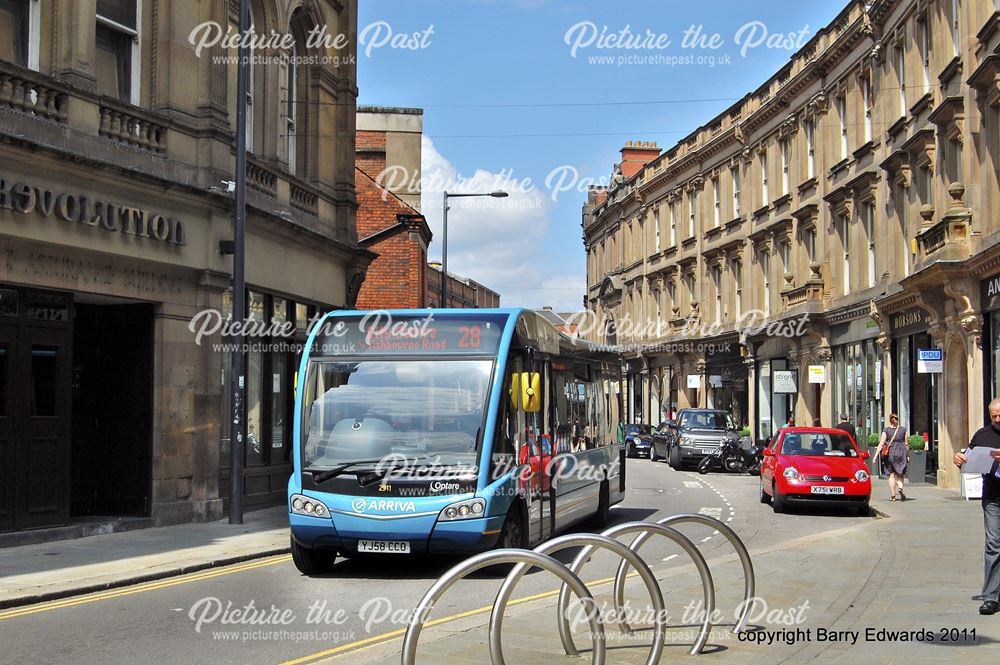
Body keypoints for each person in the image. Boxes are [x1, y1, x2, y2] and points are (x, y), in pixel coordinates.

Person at [954, 397, 1000, 616]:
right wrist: (959, 458)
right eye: (994, 416)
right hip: (993, 497)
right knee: (993, 545)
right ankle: (991, 597)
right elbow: (968, 458)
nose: (997, 419)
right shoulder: (982, 435)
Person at [874, 413, 907, 502]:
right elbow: (906, 444)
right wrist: (907, 456)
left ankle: (893, 495)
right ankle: (900, 486)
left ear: (889, 420)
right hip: (901, 453)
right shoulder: (903, 430)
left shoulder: (886, 430)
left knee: (892, 475)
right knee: (900, 474)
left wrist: (875, 456)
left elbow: (881, 443)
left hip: (891, 453)